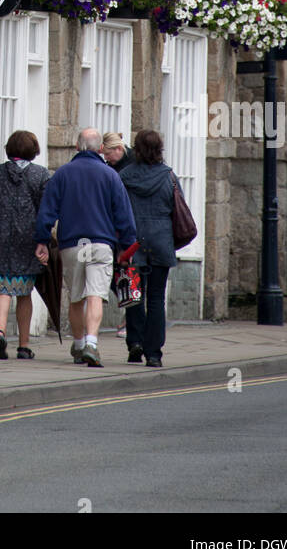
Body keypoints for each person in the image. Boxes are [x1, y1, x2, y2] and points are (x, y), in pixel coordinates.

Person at [34, 127, 136, 368]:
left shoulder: (62, 174)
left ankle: (79, 345)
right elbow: (124, 214)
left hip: (71, 245)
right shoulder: (111, 176)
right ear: (101, 149)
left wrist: (42, 241)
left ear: (77, 146)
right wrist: (128, 246)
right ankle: (92, 343)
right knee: (96, 296)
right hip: (101, 243)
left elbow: (47, 211)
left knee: (76, 297)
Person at [0, 130, 50, 360]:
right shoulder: (40, 175)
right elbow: (45, 211)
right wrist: (44, 240)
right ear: (34, 150)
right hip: (27, 240)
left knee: (2, 290)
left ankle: (0, 331)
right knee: (24, 293)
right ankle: (24, 345)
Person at [120, 128, 183, 369]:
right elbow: (178, 210)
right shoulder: (169, 177)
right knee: (156, 299)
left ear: (136, 149)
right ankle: (154, 353)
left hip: (132, 244)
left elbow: (116, 211)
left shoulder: (124, 177)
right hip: (161, 243)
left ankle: (134, 343)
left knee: (134, 297)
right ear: (159, 149)